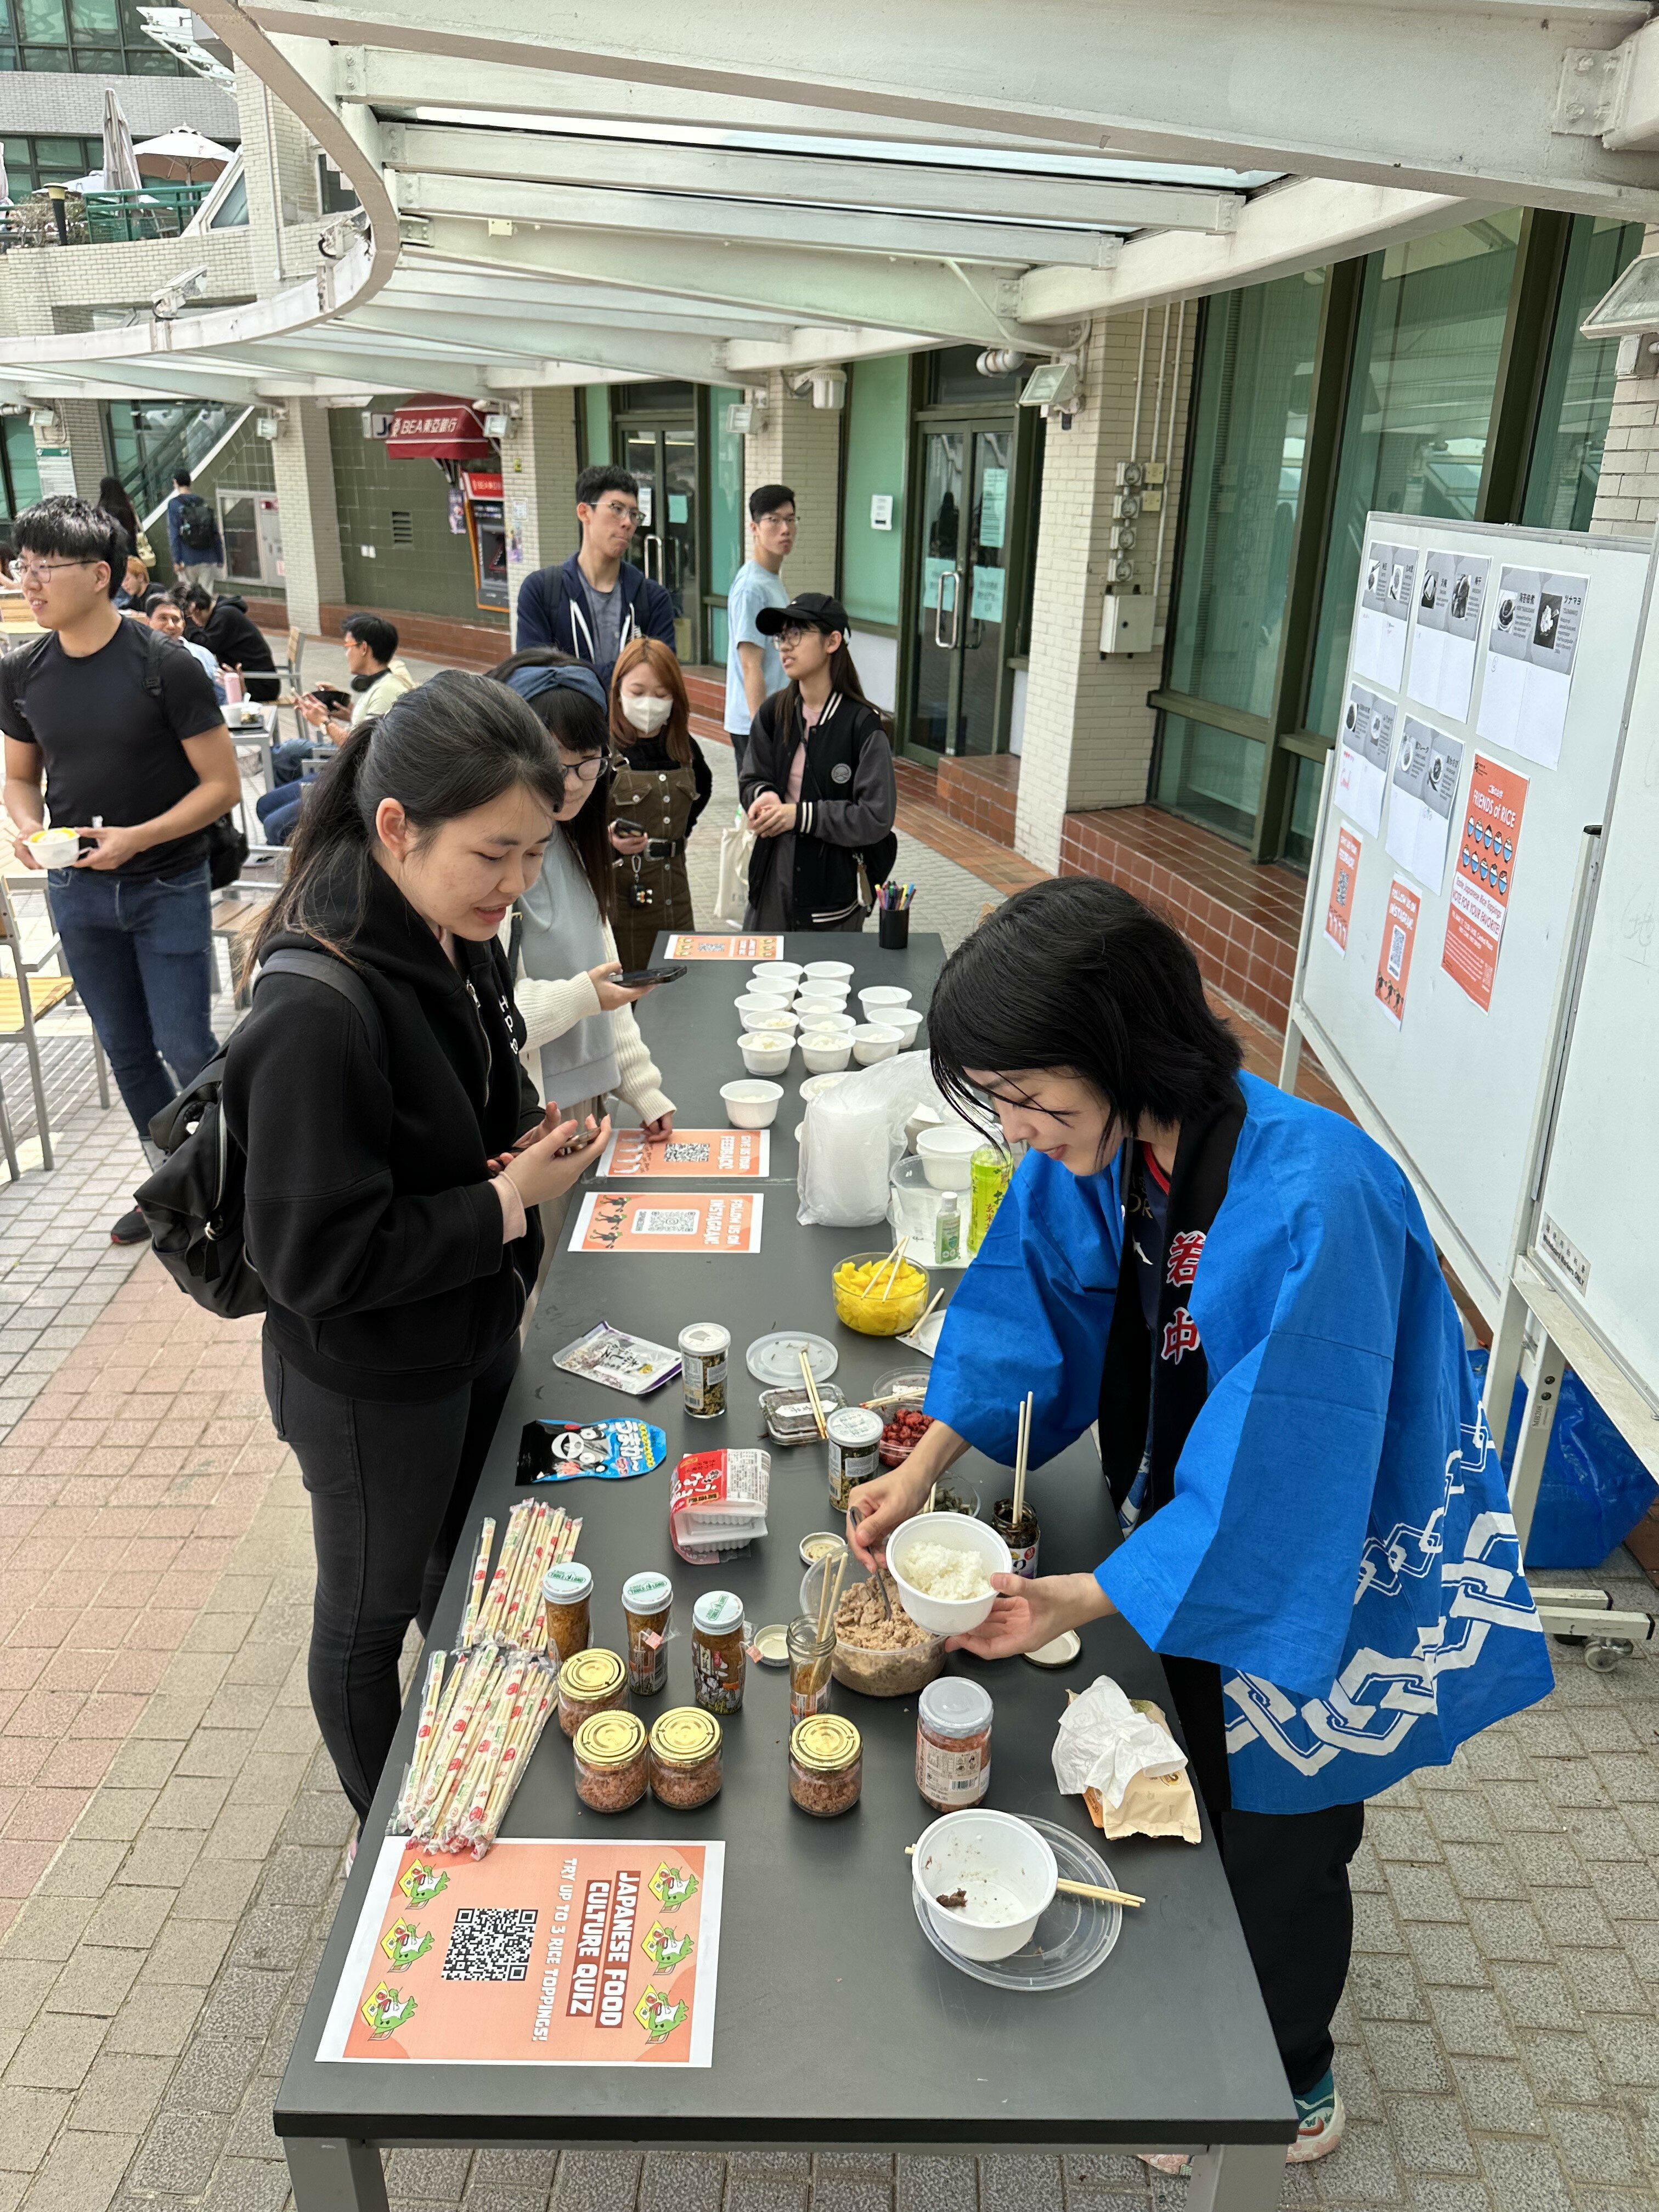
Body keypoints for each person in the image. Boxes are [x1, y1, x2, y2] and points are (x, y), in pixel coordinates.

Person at [847, 879, 1554, 2166]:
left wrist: (1069, 1595)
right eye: (997, 1099)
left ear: (1122, 1044)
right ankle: (1196, 2033)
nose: (1017, 1128)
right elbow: (1029, 1306)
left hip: (1326, 1549)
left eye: (1029, 1095)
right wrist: (925, 1464)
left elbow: (1288, 1464)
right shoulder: (1103, 1144)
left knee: (1287, 1819)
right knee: (1193, 1767)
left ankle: (1288, 2078)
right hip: (1193, 1512)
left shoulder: (1315, 1194)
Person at [221, 672, 608, 1824]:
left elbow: (465, 1104)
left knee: (471, 1558)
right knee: (365, 1614)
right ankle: (388, 1838)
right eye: (496, 854)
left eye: (537, 854)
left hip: (464, 1325)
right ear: (396, 826)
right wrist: (504, 1204)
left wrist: (515, 1149)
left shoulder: (452, 931)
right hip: (367, 1377)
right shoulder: (314, 1005)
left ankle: (460, 1761)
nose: (519, 884)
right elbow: (314, 1262)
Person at [0, 496, 239, 1244]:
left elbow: (221, 787)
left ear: (100, 575)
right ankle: (171, 1188)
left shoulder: (164, 667)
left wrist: (140, 838)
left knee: (187, 1045)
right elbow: (18, 778)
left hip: (167, 882)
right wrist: (30, 830)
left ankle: (241, 1177)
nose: (28, 583)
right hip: (77, 891)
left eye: (44, 568)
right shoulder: (20, 672)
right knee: (128, 1049)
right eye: (21, 567)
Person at [487, 653, 675, 1249]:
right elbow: (487, 1012)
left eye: (585, 763)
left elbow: (606, 984)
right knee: (543, 1287)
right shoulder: (491, 865)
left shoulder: (572, 842)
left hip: (586, 1111)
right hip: (528, 1126)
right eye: (551, 763)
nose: (569, 783)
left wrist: (641, 1086)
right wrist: (583, 995)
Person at [738, 592, 896, 933]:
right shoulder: (773, 712)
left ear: (833, 641)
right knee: (761, 977)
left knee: (826, 982)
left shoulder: (862, 726)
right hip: (771, 874)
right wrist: (763, 796)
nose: (784, 645)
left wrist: (799, 815)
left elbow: (875, 817)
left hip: (830, 890)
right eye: (782, 635)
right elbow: (751, 777)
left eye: (797, 633)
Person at [258, 613, 416, 846]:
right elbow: (373, 726)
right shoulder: (379, 685)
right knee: (265, 805)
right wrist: (348, 711)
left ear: (363, 648)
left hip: (357, 786)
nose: (346, 653)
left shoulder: (387, 691)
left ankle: (301, 869)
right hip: (346, 773)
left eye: (347, 646)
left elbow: (368, 748)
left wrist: (324, 723)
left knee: (276, 826)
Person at [512, 464, 675, 689]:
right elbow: (533, 679)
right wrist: (625, 672)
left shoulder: (653, 598)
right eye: (616, 509)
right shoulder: (541, 591)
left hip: (630, 725)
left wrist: (570, 674)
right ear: (584, 512)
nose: (628, 523)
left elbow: (663, 675)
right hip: (565, 723)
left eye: (634, 514)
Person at [606, 636, 710, 970]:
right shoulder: (603, 751)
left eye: (662, 694)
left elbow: (702, 793)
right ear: (618, 691)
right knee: (631, 991)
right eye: (637, 693)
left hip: (675, 893)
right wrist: (608, 842)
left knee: (681, 986)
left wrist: (677, 835)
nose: (649, 704)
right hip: (622, 899)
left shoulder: (685, 748)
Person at [723, 482, 794, 775]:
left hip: (775, 718)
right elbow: (751, 665)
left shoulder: (770, 579)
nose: (785, 529)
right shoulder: (752, 588)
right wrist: (761, 732)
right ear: (754, 527)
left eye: (790, 519)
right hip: (756, 725)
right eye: (774, 520)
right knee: (763, 811)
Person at [180, 581, 279, 702]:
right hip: (249, 678)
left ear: (197, 609)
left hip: (260, 684)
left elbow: (206, 645)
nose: (194, 621)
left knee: (205, 698)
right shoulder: (223, 613)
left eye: (191, 616)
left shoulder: (225, 616)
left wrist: (187, 623)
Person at [145, 589, 224, 701]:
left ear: (183, 624)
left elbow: (222, 699)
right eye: (163, 618)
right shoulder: (139, 658)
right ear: (148, 622)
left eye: (175, 619)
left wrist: (238, 690)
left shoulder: (203, 655)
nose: (171, 626)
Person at [166, 468, 222, 589]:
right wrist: (220, 556)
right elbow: (214, 530)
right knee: (206, 596)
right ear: (190, 482)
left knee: (187, 596)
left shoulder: (174, 505)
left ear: (175, 483)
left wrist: (176, 560)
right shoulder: (201, 502)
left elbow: (174, 534)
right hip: (207, 555)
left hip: (187, 559)